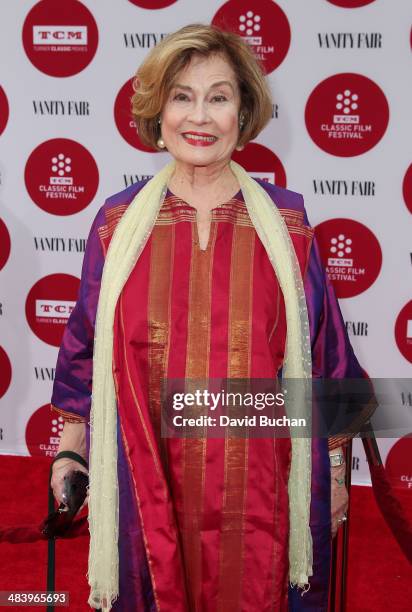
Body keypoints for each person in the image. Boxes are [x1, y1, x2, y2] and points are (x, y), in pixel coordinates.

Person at [50, 24, 365, 612]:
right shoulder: (117, 225)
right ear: (158, 111)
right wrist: (72, 449)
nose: (200, 116)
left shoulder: (289, 224)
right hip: (146, 476)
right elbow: (86, 342)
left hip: (261, 485)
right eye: (182, 96)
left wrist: (337, 470)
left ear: (243, 114)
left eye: (219, 97)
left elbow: (326, 352)